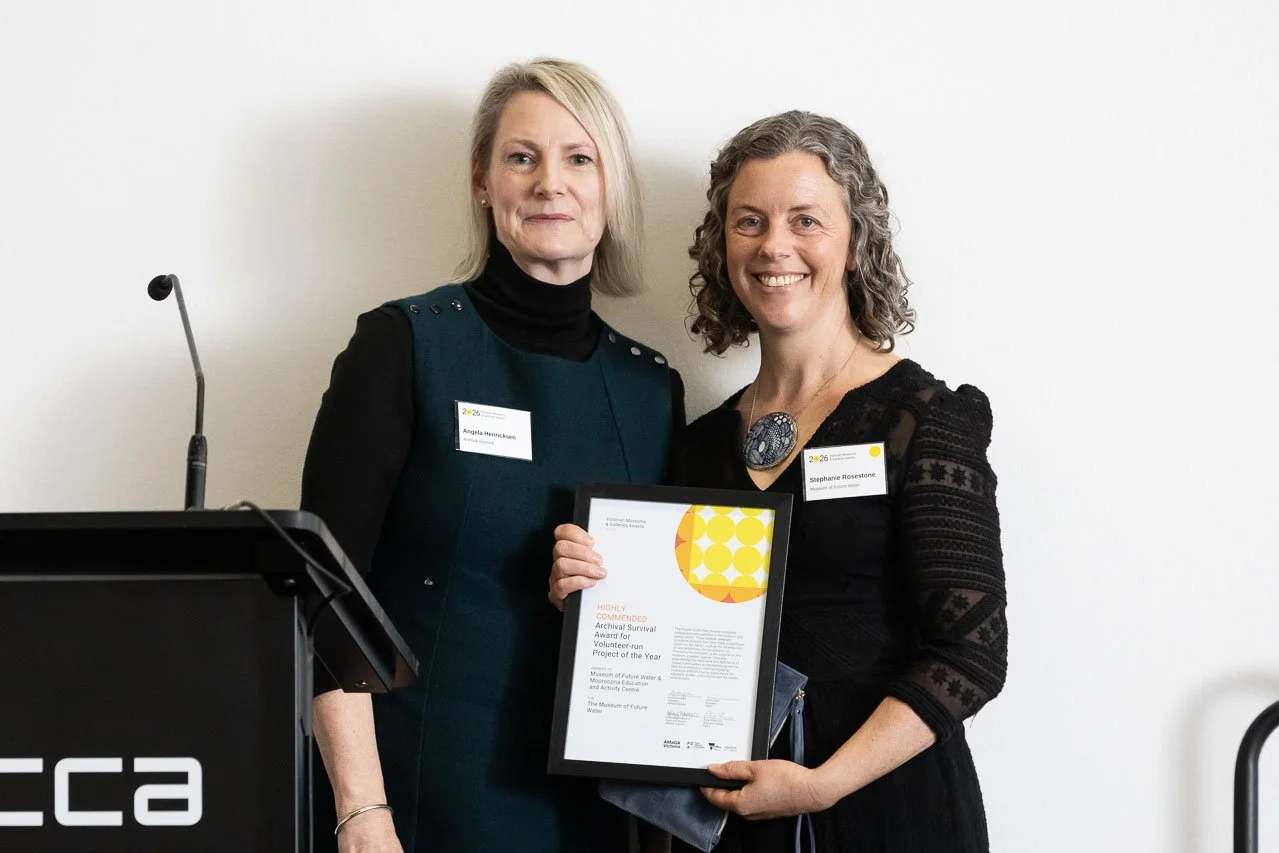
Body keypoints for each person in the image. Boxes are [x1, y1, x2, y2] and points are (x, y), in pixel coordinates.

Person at [550, 111, 1007, 852]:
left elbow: (972, 655)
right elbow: (669, 634)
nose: (774, 247)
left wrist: (820, 783)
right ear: (721, 244)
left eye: (805, 221)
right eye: (749, 221)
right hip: (730, 823)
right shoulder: (699, 445)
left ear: (855, 242)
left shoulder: (921, 420)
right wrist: (590, 596)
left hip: (884, 814)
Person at [302, 58, 684, 853]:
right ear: (482, 181)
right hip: (414, 792)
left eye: (579, 158)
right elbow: (321, 602)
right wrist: (361, 813)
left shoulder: (653, 389)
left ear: (611, 186)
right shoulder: (403, 346)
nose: (551, 182)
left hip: (595, 812)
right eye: (522, 156)